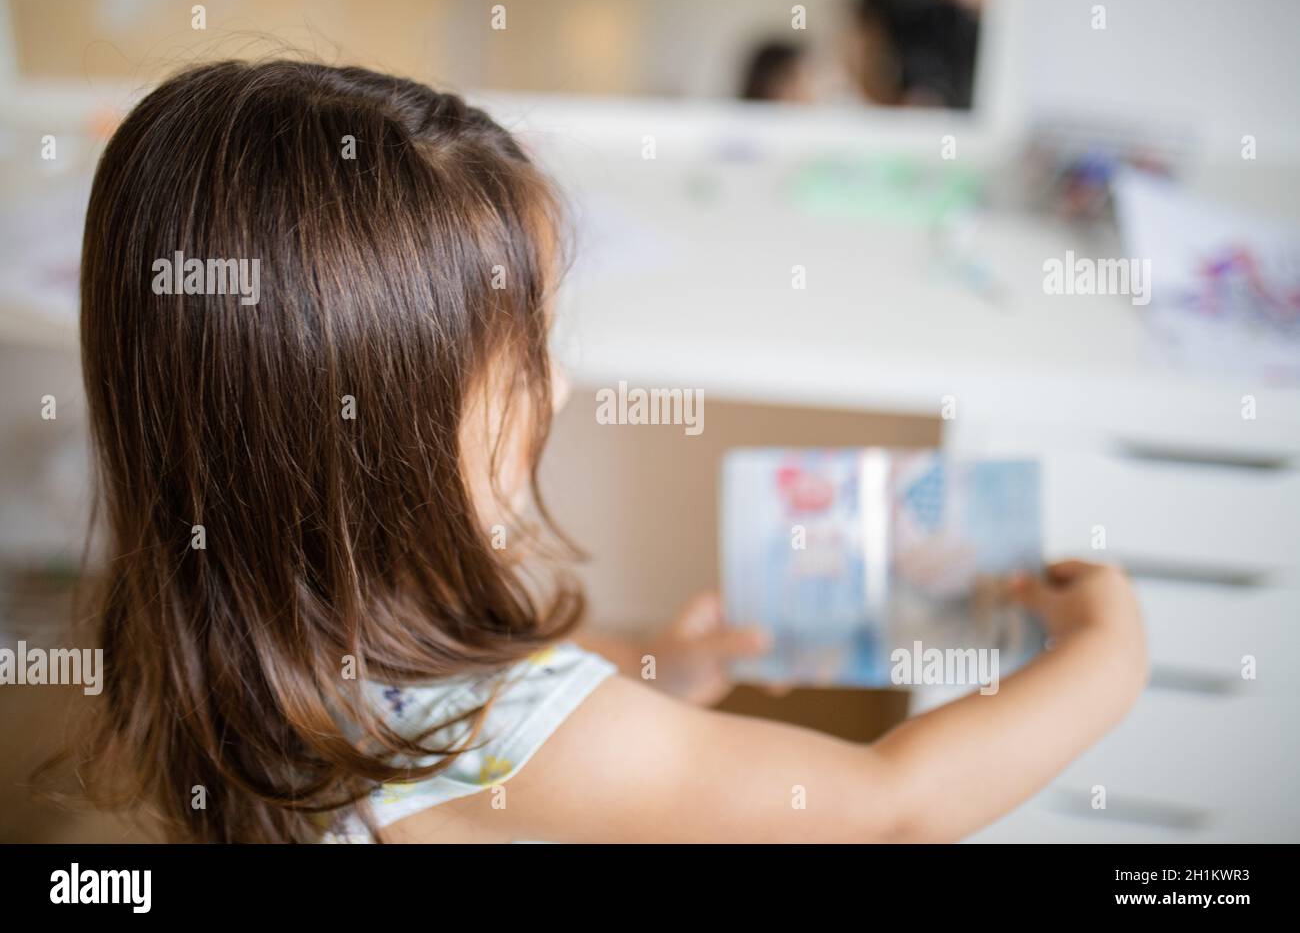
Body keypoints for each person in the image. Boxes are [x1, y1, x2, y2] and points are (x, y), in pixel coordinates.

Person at [69, 60, 1146, 842]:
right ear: (379, 439)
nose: (563, 386)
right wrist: (1105, 654)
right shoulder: (502, 732)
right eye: (530, 357)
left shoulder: (205, 619)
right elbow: (888, 806)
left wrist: (653, 671)